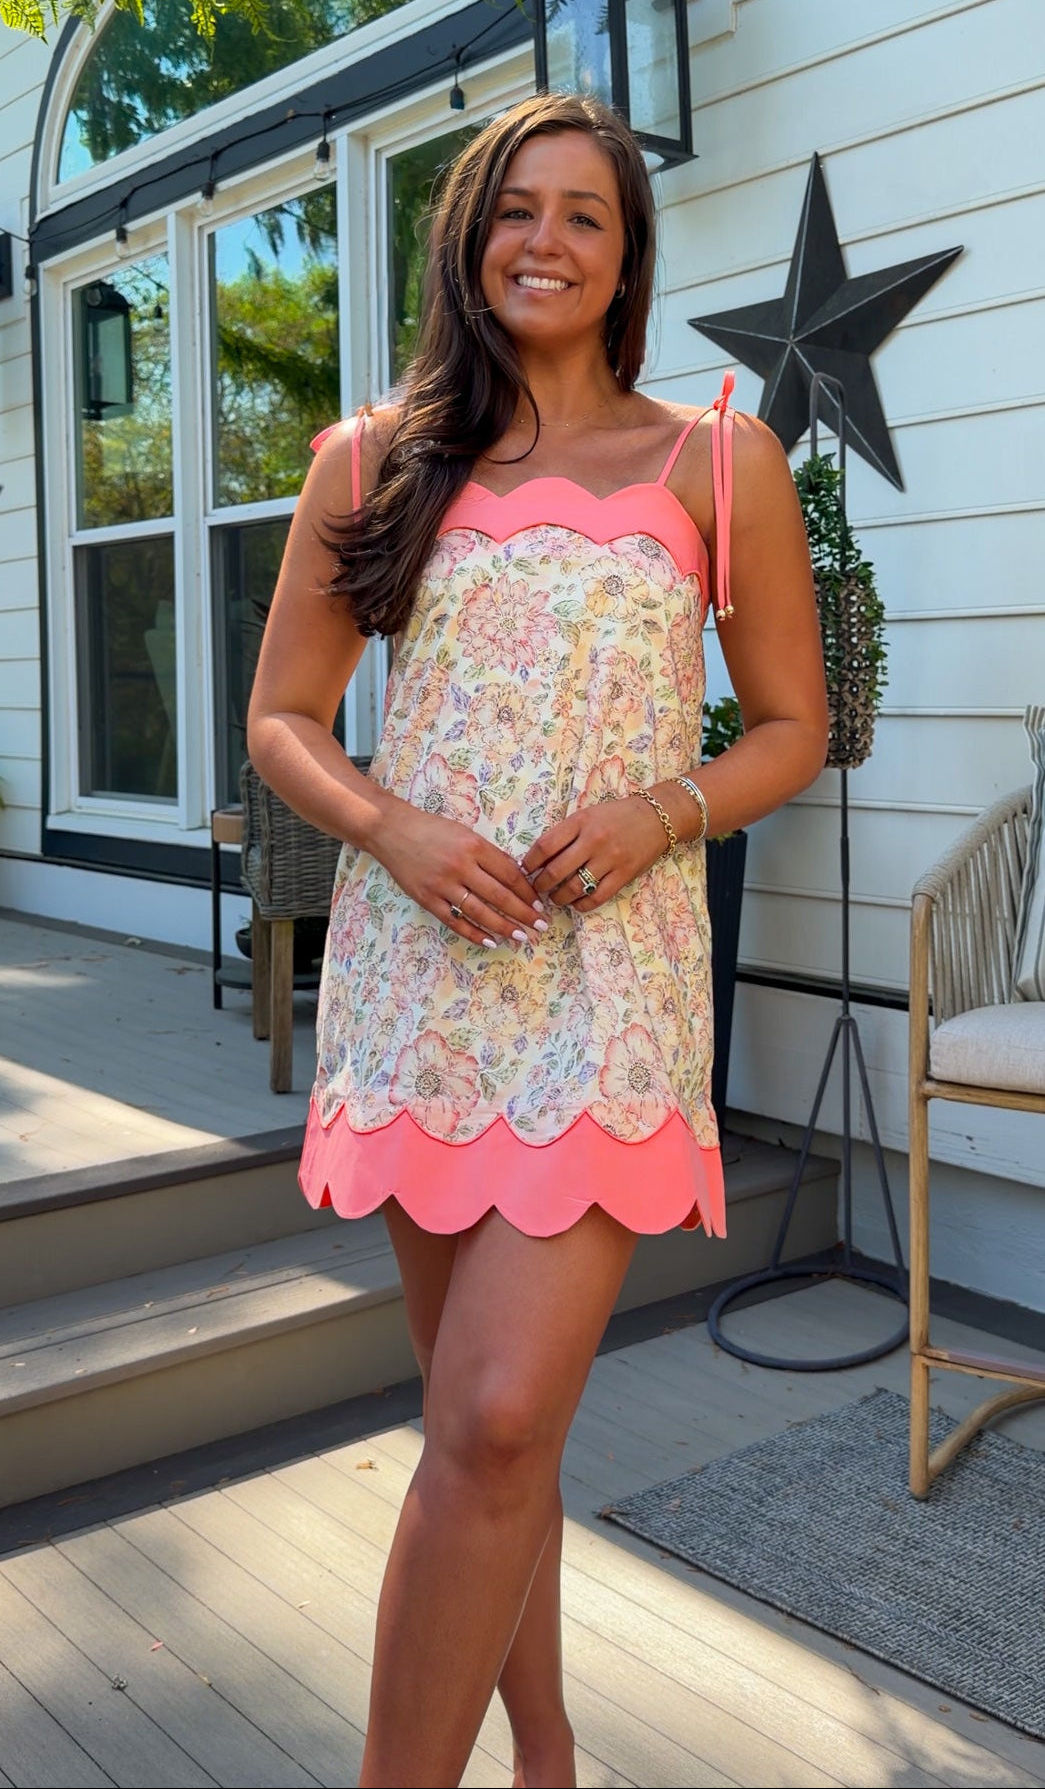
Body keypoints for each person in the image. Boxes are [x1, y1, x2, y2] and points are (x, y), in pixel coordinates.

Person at [247, 91, 828, 1789]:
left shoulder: (716, 457)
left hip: (611, 986)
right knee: (483, 1432)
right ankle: (547, 1747)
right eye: (516, 207)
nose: (546, 241)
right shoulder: (372, 459)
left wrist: (662, 809)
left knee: (498, 1416)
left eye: (585, 214)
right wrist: (393, 828)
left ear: (627, 256)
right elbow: (283, 718)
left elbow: (790, 725)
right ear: (467, 235)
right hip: (421, 981)